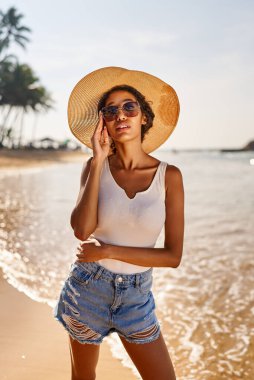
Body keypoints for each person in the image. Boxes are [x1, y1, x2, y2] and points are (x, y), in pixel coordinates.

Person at [53, 66, 184, 380]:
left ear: (144, 117)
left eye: (129, 107)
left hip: (137, 298)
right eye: (110, 111)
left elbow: (172, 257)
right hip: (87, 289)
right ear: (104, 124)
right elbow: (81, 230)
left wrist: (108, 250)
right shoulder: (93, 167)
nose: (120, 115)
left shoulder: (170, 176)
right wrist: (98, 160)